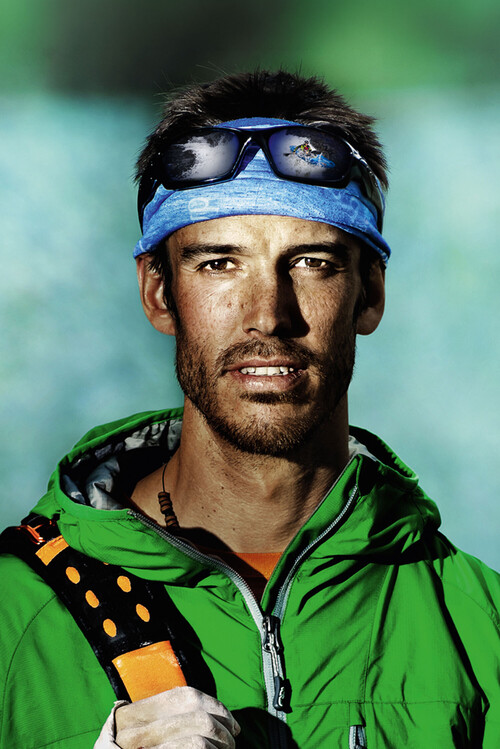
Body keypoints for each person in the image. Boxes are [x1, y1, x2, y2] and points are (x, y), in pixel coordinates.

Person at [0, 69, 499, 749]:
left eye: (313, 262)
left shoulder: (481, 625)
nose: (268, 314)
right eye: (218, 264)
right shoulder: (14, 616)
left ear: (371, 294)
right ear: (158, 294)